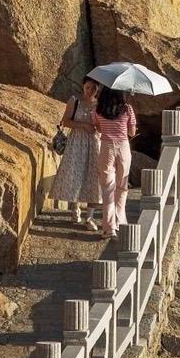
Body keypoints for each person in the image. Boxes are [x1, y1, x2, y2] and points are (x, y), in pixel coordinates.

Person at [92, 83, 138, 239]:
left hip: (106, 147)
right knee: (122, 186)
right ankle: (119, 221)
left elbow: (98, 128)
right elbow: (131, 132)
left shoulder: (98, 109)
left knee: (107, 188)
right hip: (123, 147)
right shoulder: (127, 109)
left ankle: (108, 227)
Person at [51, 79, 100, 225]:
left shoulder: (99, 105)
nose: (90, 90)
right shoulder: (75, 101)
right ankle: (75, 207)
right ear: (83, 86)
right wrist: (84, 125)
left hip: (94, 143)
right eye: (88, 87)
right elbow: (65, 121)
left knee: (94, 177)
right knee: (75, 174)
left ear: (98, 89)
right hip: (77, 142)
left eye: (94, 88)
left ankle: (89, 216)